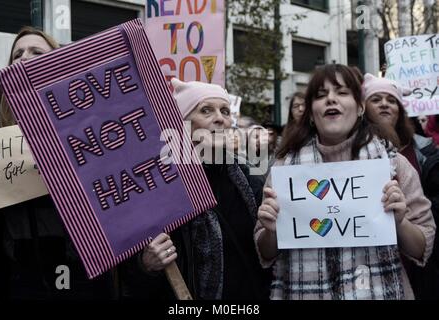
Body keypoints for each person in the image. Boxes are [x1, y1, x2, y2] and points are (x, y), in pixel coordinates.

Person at [255, 64, 435, 300]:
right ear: (310, 113)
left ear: (360, 108)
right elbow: (265, 251)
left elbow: (422, 248)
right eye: (321, 95)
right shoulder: (283, 170)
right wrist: (272, 231)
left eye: (341, 92)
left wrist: (400, 222)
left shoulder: (393, 166)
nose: (331, 99)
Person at [0, 26, 116, 300]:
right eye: (18, 54)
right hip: (22, 284)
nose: (25, 58)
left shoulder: (90, 132)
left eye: (37, 52)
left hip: (84, 280)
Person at [121, 78, 271, 300]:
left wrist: (273, 230)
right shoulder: (159, 183)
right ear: (183, 124)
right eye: (206, 111)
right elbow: (129, 270)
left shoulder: (250, 178)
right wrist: (146, 264)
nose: (220, 119)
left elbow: (266, 251)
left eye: (225, 111)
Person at [363, 73, 439, 299]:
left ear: (400, 109)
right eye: (376, 99)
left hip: (420, 262)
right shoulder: (352, 152)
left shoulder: (424, 149)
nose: (385, 104)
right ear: (362, 108)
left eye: (391, 99)